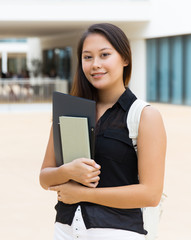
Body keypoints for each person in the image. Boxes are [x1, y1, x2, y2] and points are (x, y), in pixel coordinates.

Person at [39, 23, 166, 240]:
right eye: (87, 57)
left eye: (104, 55)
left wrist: (83, 194)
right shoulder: (68, 110)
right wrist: (69, 171)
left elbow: (150, 194)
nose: (95, 64)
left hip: (117, 233)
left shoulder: (144, 115)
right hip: (64, 231)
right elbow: (44, 177)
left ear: (125, 59)